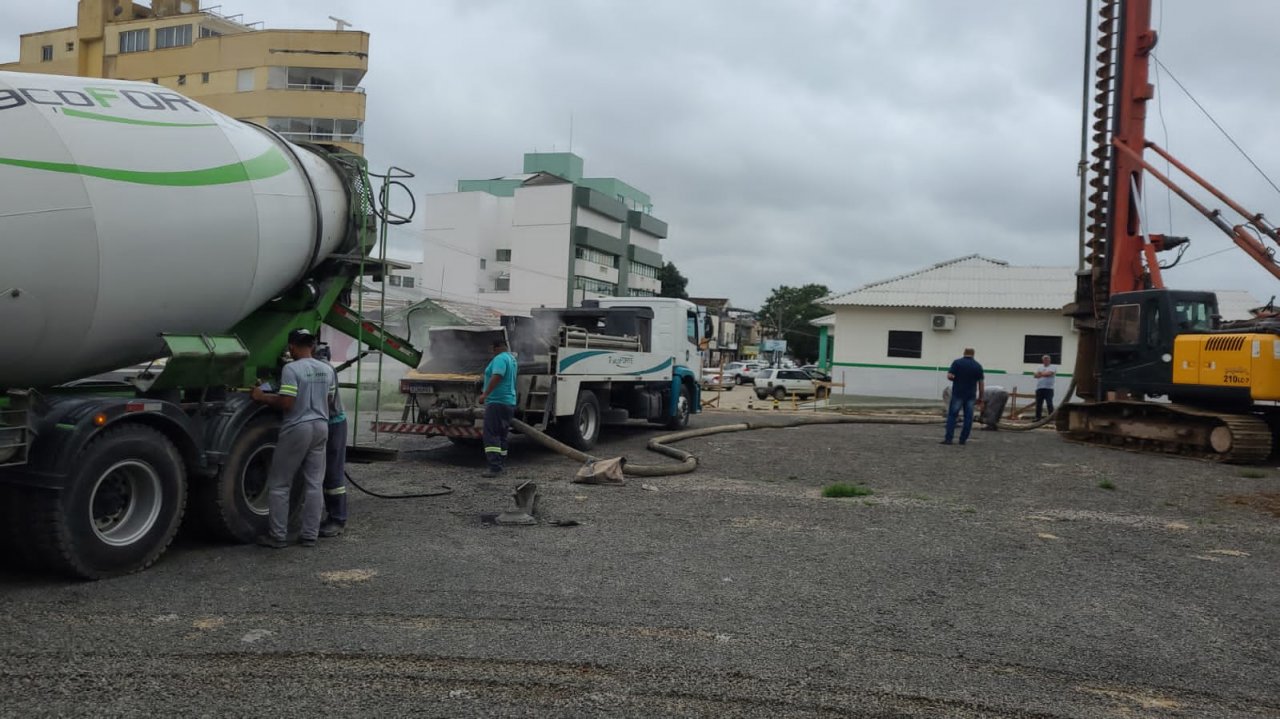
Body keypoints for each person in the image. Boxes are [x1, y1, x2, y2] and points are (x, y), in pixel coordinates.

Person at [250, 328, 334, 548]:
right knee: (314, 483)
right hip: (321, 426)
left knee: (280, 483)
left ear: (291, 347)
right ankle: (310, 535)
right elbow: (330, 400)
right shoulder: (327, 369)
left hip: (298, 427)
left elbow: (287, 403)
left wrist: (262, 397)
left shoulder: (291, 369)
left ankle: (277, 536)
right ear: (312, 346)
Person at [478, 337, 517, 478]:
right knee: (502, 435)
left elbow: (497, 375)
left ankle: (495, 468)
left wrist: (485, 394)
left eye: (492, 349)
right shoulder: (511, 359)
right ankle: (501, 464)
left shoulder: (500, 359)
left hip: (497, 401)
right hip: (508, 402)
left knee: (491, 434)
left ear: (497, 347)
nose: (491, 352)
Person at [320, 361, 348, 538]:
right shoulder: (319, 367)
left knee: (332, 472)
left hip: (333, 422)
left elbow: (328, 399)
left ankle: (337, 519)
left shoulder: (324, 369)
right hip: (324, 422)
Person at [941, 348, 984, 446]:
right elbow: (981, 384)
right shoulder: (978, 366)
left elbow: (950, 376)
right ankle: (962, 440)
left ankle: (949, 439)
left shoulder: (957, 363)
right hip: (971, 395)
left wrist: (956, 379)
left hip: (958, 393)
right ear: (973, 354)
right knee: (968, 417)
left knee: (952, 416)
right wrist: (981, 398)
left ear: (964, 353)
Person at [1033, 355, 1057, 420]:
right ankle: (1038, 417)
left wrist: (1040, 374)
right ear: (1043, 360)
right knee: (1038, 404)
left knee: (1049, 403)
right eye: (1044, 359)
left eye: (1047, 359)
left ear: (1049, 360)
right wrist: (1044, 374)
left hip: (1049, 389)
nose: (1046, 360)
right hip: (1039, 388)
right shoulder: (1039, 367)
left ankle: (1051, 418)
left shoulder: (1053, 367)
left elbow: (1049, 374)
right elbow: (1035, 375)